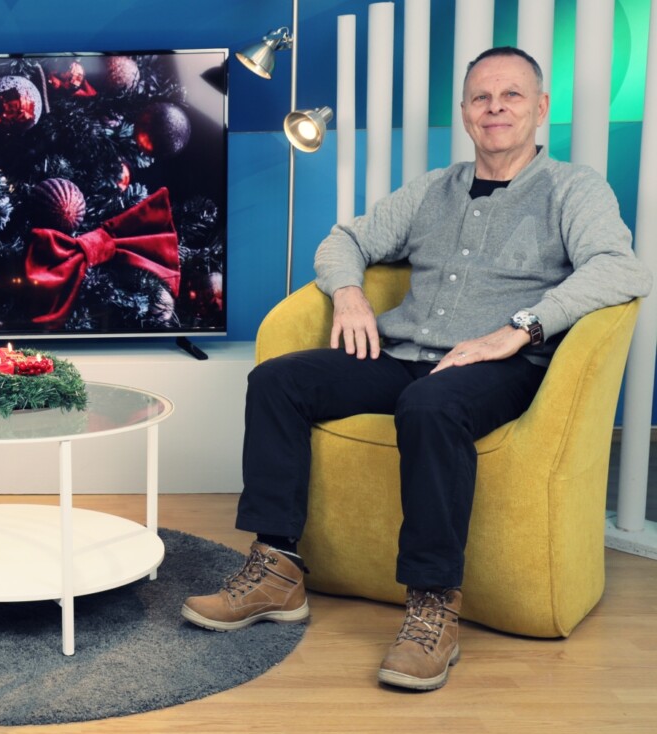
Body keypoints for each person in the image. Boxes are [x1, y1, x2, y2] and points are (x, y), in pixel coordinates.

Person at [180, 46, 650, 690]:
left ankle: (433, 606)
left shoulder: (573, 188)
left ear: (540, 108)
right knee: (277, 380)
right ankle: (278, 570)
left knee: (429, 405)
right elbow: (345, 239)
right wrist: (349, 293)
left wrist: (518, 329)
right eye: (481, 97)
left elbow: (620, 268)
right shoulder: (433, 189)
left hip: (498, 367)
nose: (495, 108)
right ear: (464, 112)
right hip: (405, 355)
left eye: (511, 95)